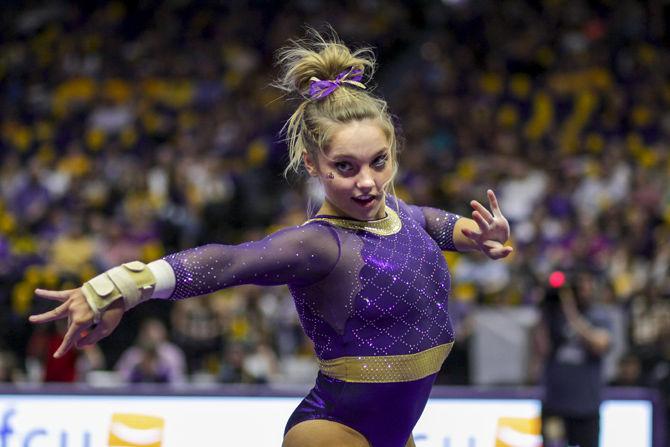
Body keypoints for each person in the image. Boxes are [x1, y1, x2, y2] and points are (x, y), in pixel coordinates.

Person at [29, 30, 513, 447]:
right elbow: (228, 262)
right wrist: (121, 285)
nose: (367, 181)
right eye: (345, 167)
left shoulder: (396, 212)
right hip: (334, 430)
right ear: (313, 164)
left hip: (396, 430)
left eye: (378, 162)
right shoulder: (323, 245)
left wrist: (475, 234)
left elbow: (429, 222)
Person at [534, 271, 612, 447]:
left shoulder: (598, 315)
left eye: (586, 287)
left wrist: (571, 313)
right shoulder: (553, 315)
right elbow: (542, 350)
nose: (583, 291)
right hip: (555, 405)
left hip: (586, 407)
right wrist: (543, 311)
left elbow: (600, 344)